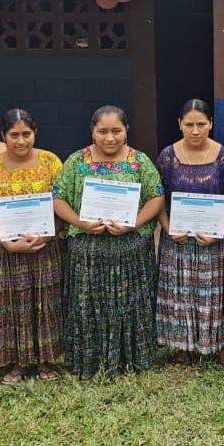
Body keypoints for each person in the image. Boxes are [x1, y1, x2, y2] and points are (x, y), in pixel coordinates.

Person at [53, 106, 165, 378]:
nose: (110, 138)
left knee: (130, 304)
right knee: (87, 304)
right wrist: (80, 223)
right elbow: (58, 197)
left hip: (131, 249)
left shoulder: (139, 161)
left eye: (116, 130)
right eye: (102, 131)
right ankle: (90, 360)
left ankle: (133, 359)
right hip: (87, 249)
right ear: (92, 131)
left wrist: (134, 223)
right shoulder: (77, 161)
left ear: (126, 131)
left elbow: (157, 197)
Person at [0, 109, 64, 384]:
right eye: (14, 135)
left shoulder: (51, 162)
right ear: (3, 136)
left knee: (45, 305)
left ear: (35, 132)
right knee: (10, 307)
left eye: (26, 134)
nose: (21, 141)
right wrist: (7, 242)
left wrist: (49, 236)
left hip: (45, 249)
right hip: (6, 253)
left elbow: (63, 205)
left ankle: (46, 362)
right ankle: (16, 364)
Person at [155, 99, 224, 370]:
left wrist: (221, 232)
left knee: (218, 294)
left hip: (217, 242)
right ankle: (182, 347)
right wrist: (168, 230)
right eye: (189, 124)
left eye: (201, 124)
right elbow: (158, 197)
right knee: (180, 293)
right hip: (178, 241)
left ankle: (222, 348)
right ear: (180, 124)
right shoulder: (168, 156)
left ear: (211, 124)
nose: (195, 130)